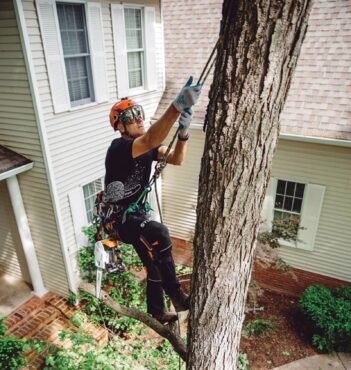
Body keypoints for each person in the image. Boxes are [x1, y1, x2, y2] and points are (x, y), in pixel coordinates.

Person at [104, 77, 201, 324]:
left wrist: (184, 133)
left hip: (136, 217)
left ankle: (156, 310)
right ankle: (177, 295)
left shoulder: (147, 148)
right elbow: (149, 141)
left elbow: (177, 159)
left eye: (139, 113)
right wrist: (176, 105)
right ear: (120, 127)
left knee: (154, 261)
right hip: (120, 219)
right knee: (159, 231)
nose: (138, 119)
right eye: (130, 116)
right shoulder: (118, 148)